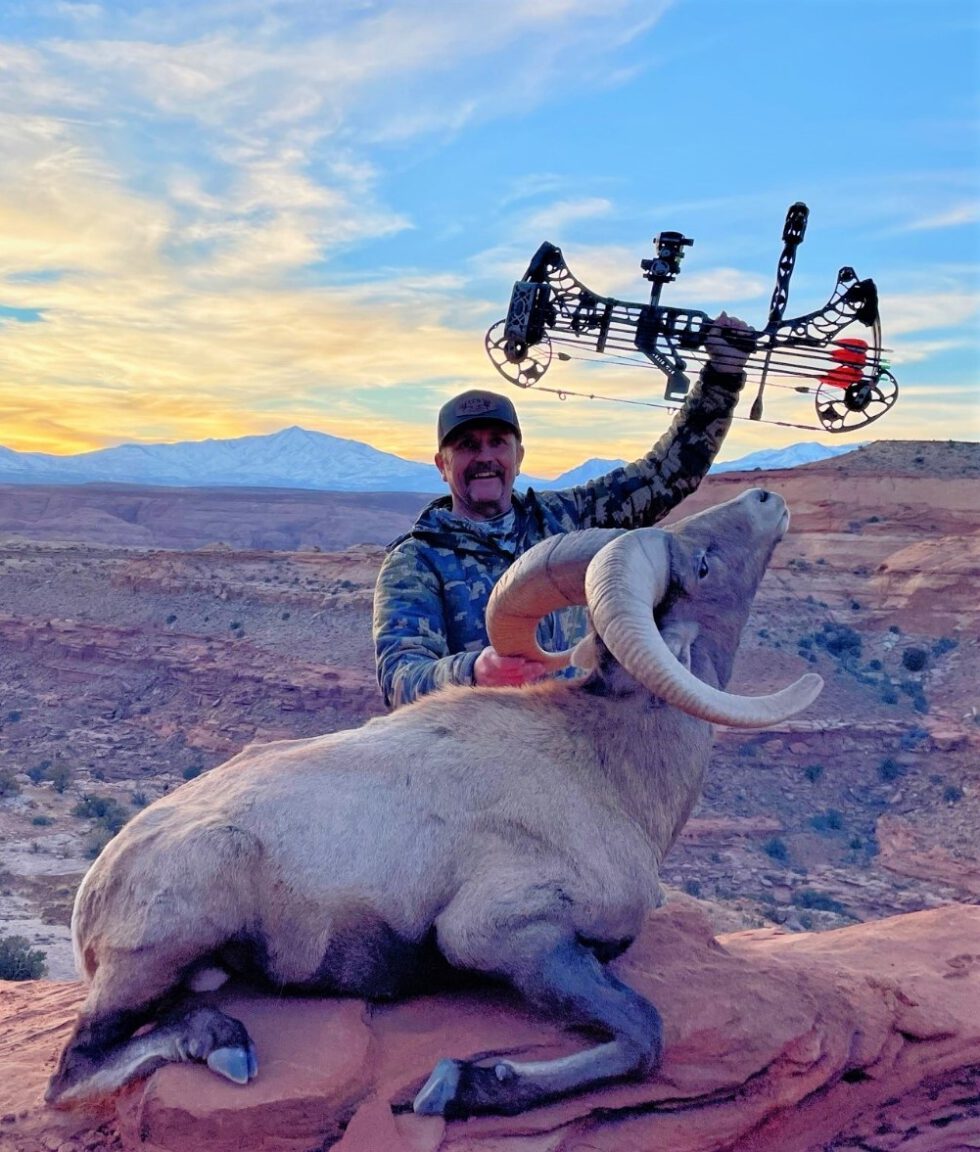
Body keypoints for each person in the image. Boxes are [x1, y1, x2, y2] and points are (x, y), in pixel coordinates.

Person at [373, 313, 751, 708]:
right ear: (442, 465)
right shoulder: (416, 561)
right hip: (482, 741)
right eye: (467, 446)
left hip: (577, 733)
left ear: (518, 456)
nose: (484, 457)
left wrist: (722, 376)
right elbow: (399, 680)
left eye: (497, 442)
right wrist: (472, 671)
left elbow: (663, 477)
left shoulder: (563, 517)